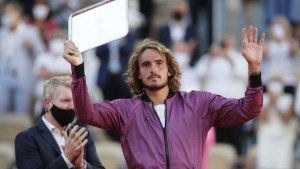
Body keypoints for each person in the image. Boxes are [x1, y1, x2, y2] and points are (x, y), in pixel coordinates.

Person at [63, 26, 265, 169]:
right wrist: (78, 68)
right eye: (146, 65)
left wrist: (254, 70)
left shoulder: (198, 103)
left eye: (159, 63)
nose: (153, 69)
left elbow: (249, 109)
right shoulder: (124, 110)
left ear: (169, 70)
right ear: (138, 74)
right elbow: (85, 112)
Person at [15, 76, 105, 169]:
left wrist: (82, 166)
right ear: (48, 103)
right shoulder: (27, 138)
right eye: (66, 100)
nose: (72, 106)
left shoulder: (82, 135)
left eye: (75, 101)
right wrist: (66, 159)